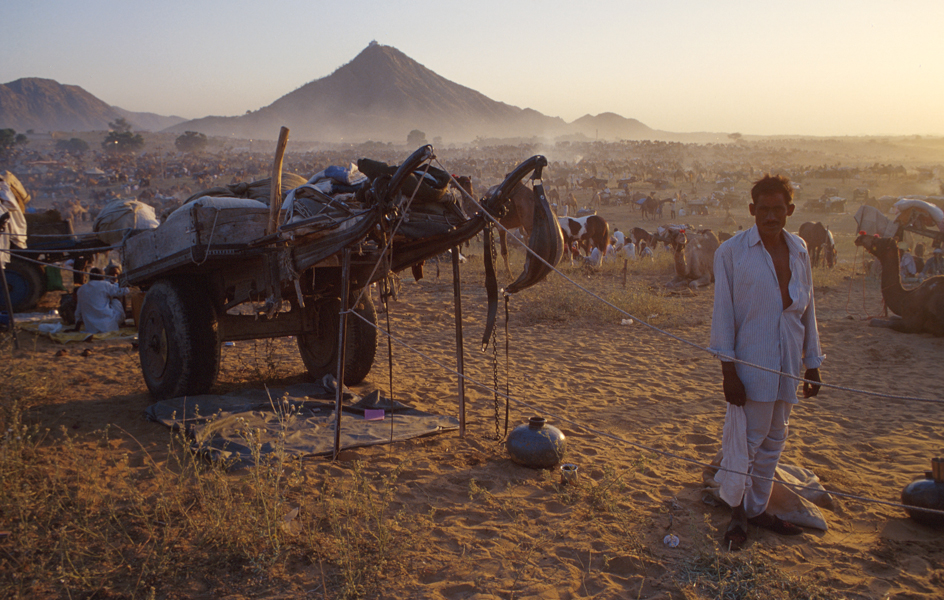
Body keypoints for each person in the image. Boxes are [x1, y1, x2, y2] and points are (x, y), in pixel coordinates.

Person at [709, 174, 824, 551]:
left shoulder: (800, 250)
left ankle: (758, 509)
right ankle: (738, 514)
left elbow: (807, 312)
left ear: (789, 211)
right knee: (748, 443)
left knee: (775, 440)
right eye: (764, 210)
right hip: (750, 364)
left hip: (789, 361)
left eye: (778, 209)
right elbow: (723, 315)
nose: (771, 216)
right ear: (751, 211)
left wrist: (812, 362)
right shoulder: (731, 252)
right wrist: (729, 371)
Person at [73, 267, 130, 333]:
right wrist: (114, 283)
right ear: (102, 276)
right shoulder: (105, 284)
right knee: (115, 301)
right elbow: (126, 290)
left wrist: (76, 328)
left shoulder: (81, 289)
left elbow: (78, 312)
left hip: (91, 329)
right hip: (108, 327)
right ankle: (122, 323)